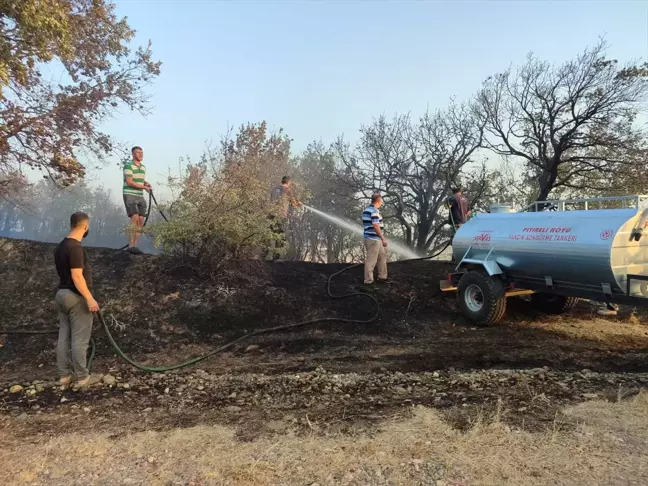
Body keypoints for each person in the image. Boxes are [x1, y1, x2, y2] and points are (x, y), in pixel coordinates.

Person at [53, 212, 102, 388]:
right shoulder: (75, 248)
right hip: (76, 297)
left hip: (61, 295)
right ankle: (82, 378)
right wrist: (89, 298)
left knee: (64, 337)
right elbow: (77, 276)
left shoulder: (60, 247)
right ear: (85, 226)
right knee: (80, 339)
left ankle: (64, 377)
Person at [123, 146, 152, 255]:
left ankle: (135, 245)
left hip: (140, 195)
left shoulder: (143, 167)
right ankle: (131, 245)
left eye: (141, 152)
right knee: (134, 218)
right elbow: (129, 181)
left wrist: (145, 183)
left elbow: (138, 179)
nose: (140, 154)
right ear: (133, 154)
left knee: (141, 220)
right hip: (130, 194)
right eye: (138, 152)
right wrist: (144, 187)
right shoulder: (128, 166)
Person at [265, 175, 302, 260]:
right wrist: (299, 204)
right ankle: (278, 257)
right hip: (280, 215)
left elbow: (272, 200)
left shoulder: (274, 189)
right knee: (280, 235)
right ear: (289, 182)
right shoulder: (287, 189)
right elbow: (293, 203)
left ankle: (268, 256)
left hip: (271, 215)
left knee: (271, 235)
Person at [362, 193, 390, 285]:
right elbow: (376, 225)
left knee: (382, 256)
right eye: (381, 201)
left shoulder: (367, 210)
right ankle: (368, 281)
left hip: (374, 239)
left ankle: (382, 277)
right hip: (373, 239)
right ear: (378, 201)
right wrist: (383, 239)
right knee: (371, 260)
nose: (382, 203)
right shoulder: (374, 211)